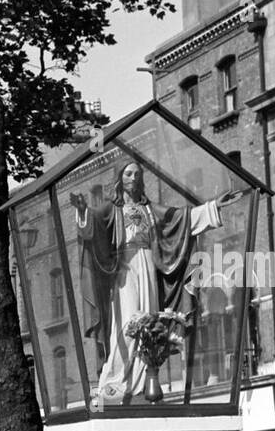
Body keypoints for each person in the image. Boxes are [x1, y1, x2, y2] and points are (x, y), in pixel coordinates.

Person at [70, 161, 240, 404]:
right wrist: (83, 211)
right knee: (126, 322)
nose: (133, 178)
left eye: (138, 174)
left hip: (148, 264)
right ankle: (118, 380)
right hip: (124, 267)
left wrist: (213, 207)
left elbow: (180, 218)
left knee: (148, 320)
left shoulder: (149, 209)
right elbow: (92, 225)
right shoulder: (111, 208)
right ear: (120, 178)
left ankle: (144, 379)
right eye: (128, 174)